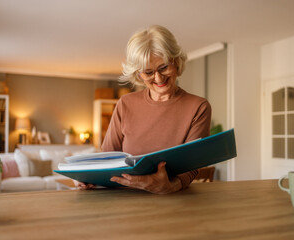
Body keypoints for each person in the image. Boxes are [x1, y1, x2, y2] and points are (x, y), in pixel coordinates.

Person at [77, 25, 211, 194]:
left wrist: (171, 186)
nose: (158, 77)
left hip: (173, 200)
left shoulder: (198, 107)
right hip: (125, 199)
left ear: (176, 62)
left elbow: (193, 165)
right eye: (148, 72)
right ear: (138, 74)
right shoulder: (125, 104)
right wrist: (90, 179)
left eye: (163, 67)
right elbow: (107, 157)